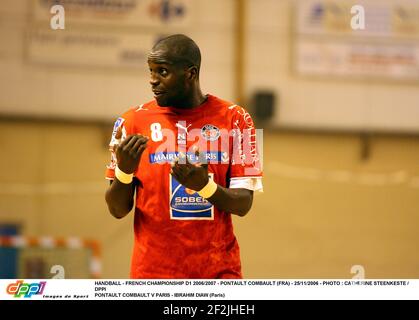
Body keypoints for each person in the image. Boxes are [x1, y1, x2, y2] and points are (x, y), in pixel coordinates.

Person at [105, 34, 263, 279]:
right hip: (152, 277)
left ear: (190, 74)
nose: (153, 81)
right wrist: (124, 173)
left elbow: (244, 204)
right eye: (151, 71)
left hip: (218, 275)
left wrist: (204, 186)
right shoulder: (130, 122)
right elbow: (116, 210)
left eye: (163, 72)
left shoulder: (237, 119)